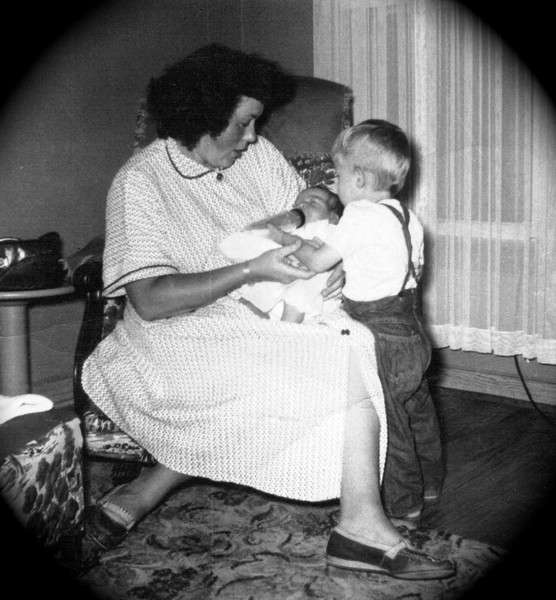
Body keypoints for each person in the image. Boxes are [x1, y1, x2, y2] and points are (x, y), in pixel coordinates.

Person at [81, 44, 454, 579]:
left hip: (267, 311)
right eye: (244, 123)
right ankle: (361, 529)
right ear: (203, 117)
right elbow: (150, 300)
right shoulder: (141, 182)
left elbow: (318, 211)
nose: (254, 136)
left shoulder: (254, 157)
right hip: (180, 329)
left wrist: (324, 248)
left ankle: (358, 523)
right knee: (345, 359)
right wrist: (250, 270)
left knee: (359, 343)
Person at [267, 119, 444, 523]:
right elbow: (396, 264)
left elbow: (316, 261)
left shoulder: (359, 216)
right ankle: (432, 483)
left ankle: (404, 503)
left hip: (380, 333)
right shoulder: (406, 216)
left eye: (339, 175)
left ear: (360, 179)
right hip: (412, 327)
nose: (336, 184)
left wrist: (285, 239)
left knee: (388, 420)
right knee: (418, 409)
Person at [218, 186, 341, 322]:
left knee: (314, 277)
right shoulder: (291, 229)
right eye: (297, 204)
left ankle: (288, 324)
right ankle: (258, 311)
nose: (302, 206)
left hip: (309, 300)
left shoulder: (331, 231)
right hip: (276, 299)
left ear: (333, 218)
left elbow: (320, 258)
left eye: (313, 202)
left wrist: (283, 238)